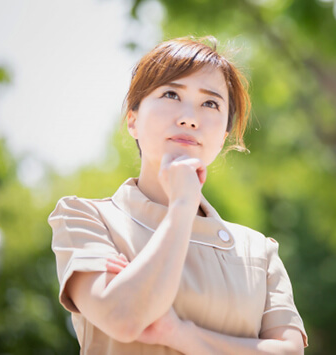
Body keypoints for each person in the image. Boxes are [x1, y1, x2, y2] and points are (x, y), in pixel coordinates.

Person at [48, 36, 308, 354]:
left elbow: (290, 351)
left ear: (224, 136)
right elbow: (123, 319)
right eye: (171, 94)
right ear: (133, 120)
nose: (189, 118)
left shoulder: (259, 253)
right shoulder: (86, 219)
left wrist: (180, 334)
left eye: (210, 103)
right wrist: (182, 204)